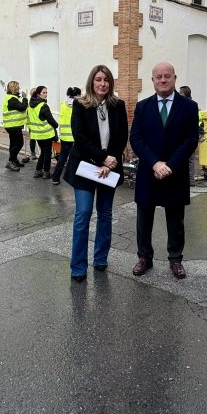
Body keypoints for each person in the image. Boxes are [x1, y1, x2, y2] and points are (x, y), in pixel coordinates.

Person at [130, 62, 200, 279]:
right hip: (148, 172)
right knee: (144, 219)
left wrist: (170, 165)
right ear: (152, 80)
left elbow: (191, 139)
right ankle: (144, 258)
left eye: (167, 76)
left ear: (174, 78)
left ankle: (176, 259)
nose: (162, 80)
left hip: (175, 172)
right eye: (158, 77)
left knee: (176, 220)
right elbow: (136, 138)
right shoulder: (142, 107)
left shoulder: (189, 106)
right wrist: (155, 163)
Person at [63, 66, 128, 282]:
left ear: (111, 83)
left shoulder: (118, 105)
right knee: (83, 214)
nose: (102, 84)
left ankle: (100, 258)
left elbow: (121, 137)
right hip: (85, 167)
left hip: (109, 167)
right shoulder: (81, 105)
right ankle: (78, 266)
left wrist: (109, 163)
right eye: (98, 79)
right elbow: (79, 137)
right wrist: (101, 159)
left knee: (105, 214)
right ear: (91, 81)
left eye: (106, 80)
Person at [50, 86, 81, 185]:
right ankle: (75, 178)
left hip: (64, 136)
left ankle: (55, 177)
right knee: (77, 157)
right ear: (78, 95)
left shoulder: (63, 105)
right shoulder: (78, 105)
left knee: (62, 157)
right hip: (75, 136)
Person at [28, 86, 58, 178]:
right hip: (46, 134)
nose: (46, 94)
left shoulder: (31, 106)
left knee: (43, 152)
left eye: (46, 92)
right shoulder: (43, 106)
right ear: (38, 94)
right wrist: (56, 125)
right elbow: (51, 120)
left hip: (36, 134)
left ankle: (38, 171)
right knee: (47, 153)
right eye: (44, 93)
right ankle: (46, 172)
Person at [1, 81, 27, 171]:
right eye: (18, 87)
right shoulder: (12, 99)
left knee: (13, 144)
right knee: (19, 143)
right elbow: (22, 107)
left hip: (11, 125)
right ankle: (10, 161)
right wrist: (25, 98)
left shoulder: (10, 97)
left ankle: (14, 160)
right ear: (14, 88)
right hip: (13, 126)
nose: (19, 88)